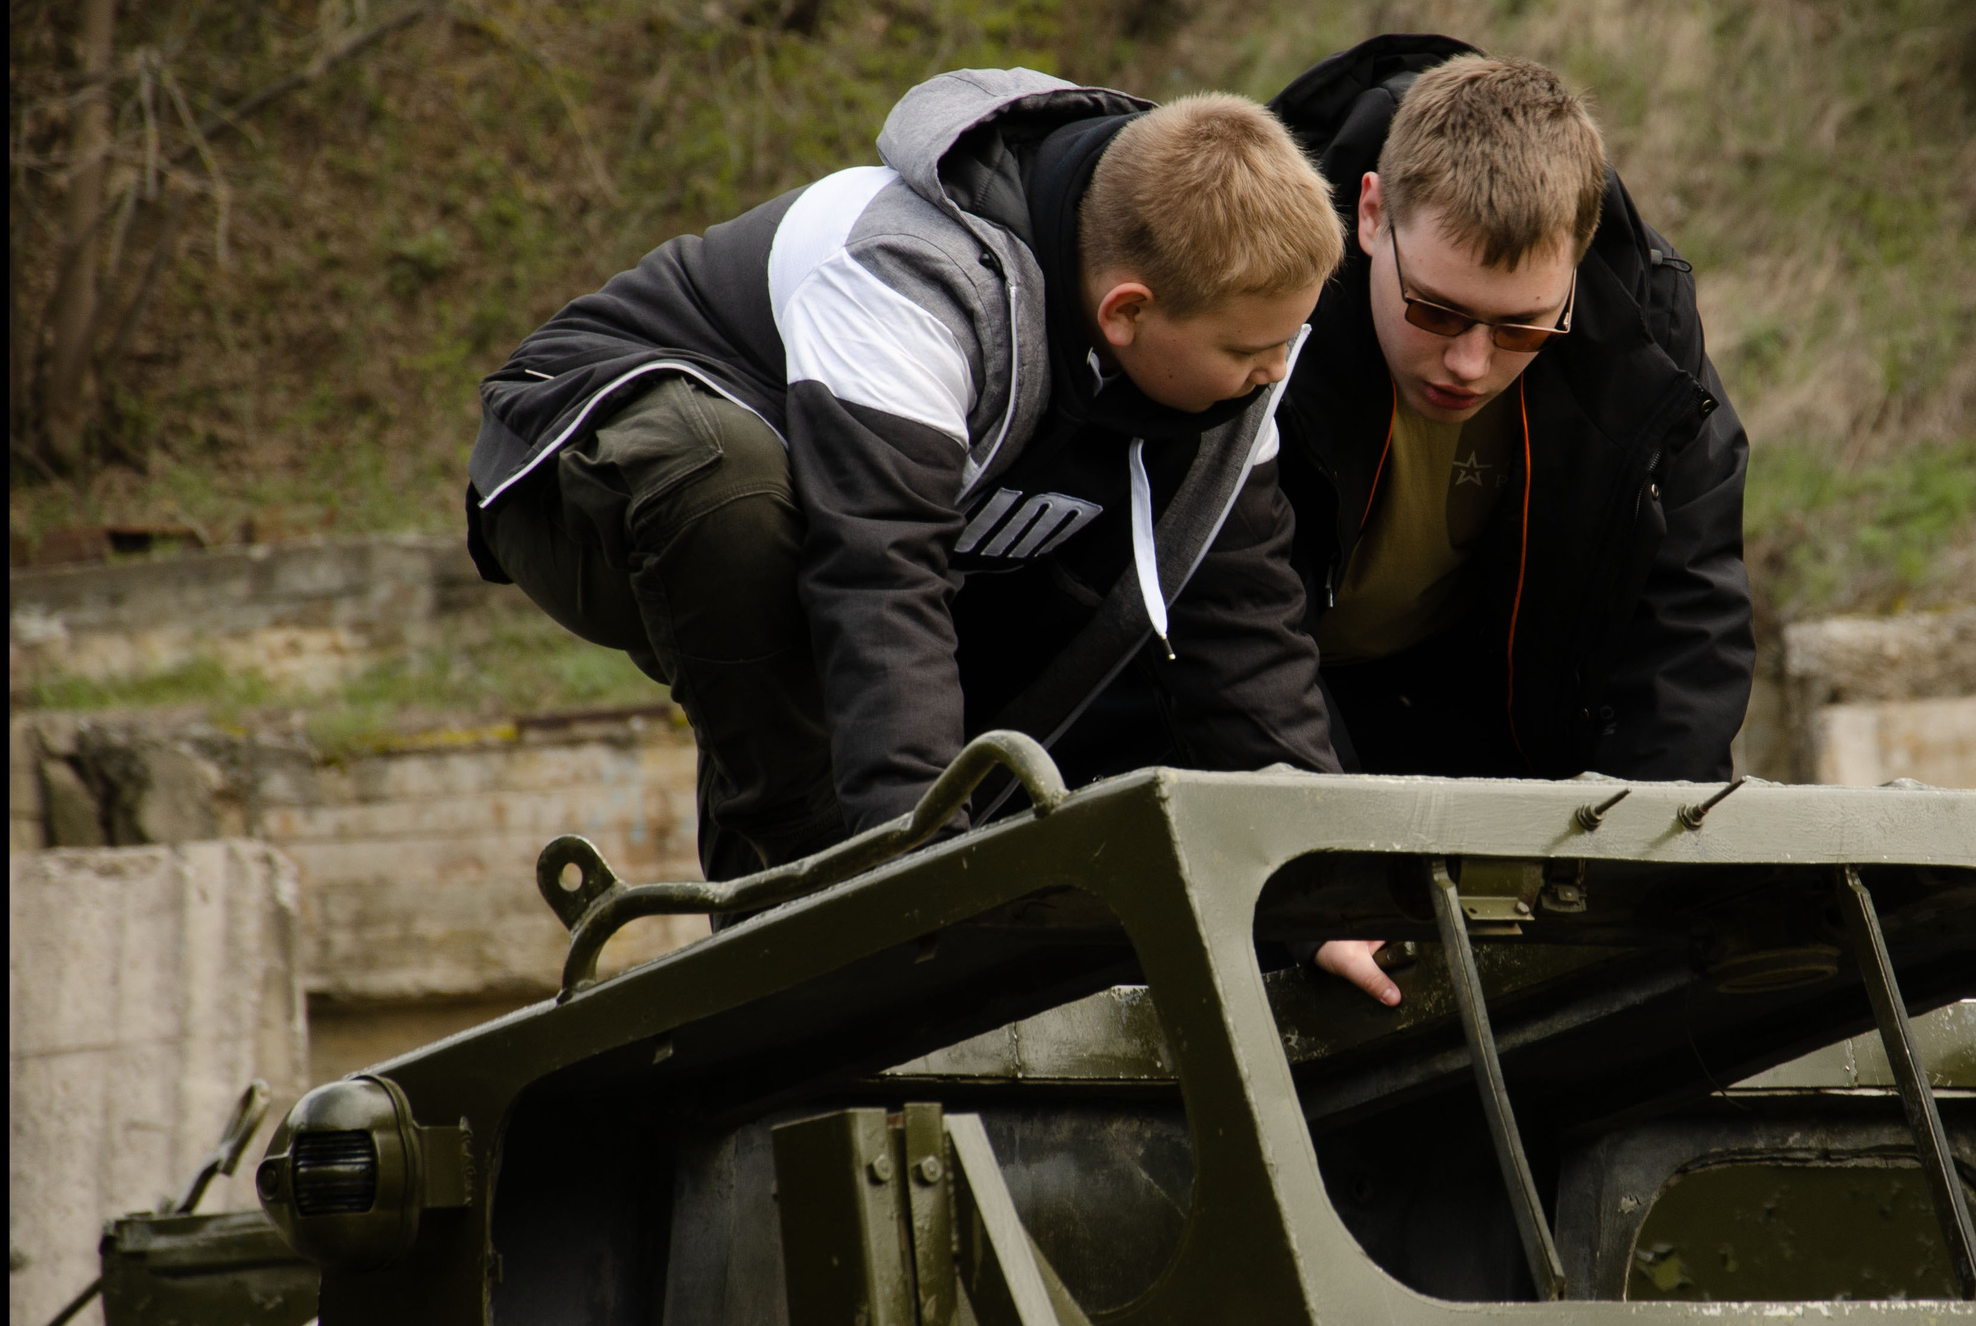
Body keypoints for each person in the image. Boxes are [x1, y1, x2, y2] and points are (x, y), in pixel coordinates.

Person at [464, 70, 1345, 886]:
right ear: (1128, 312)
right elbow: (880, 583)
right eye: (1249, 350)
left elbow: (1245, 634)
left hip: (804, 500)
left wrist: (1328, 892)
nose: (1278, 372)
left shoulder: (1235, 360)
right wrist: (924, 874)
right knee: (732, 493)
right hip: (577, 453)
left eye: (1288, 342)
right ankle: (799, 900)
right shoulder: (916, 286)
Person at [1266, 38, 1754, 1005]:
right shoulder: (1252, 290)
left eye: (1524, 327)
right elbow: (1215, 627)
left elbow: (1689, 613)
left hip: (1494, 714)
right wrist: (1311, 890)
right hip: (1284, 712)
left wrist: (1630, 887)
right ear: (1370, 217)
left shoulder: (1641, 328)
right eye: (1436, 312)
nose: (1471, 365)